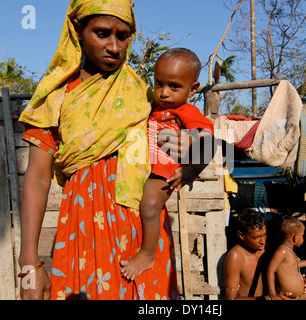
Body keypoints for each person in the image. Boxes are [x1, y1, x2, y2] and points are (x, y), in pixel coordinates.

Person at [18, 0, 194, 300]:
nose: (114, 46)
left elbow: (193, 142)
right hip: (84, 228)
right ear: (78, 30)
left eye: (122, 35)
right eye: (102, 33)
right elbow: (37, 177)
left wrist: (190, 148)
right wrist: (28, 263)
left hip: (144, 231)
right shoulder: (55, 96)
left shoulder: (145, 92)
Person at [120, 48, 214, 281]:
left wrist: (192, 168)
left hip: (164, 171)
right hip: (144, 166)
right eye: (158, 83)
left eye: (174, 86)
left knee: (150, 205)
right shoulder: (155, 106)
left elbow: (209, 141)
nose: (163, 92)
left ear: (193, 89)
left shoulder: (187, 111)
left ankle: (146, 254)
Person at [267, 215, 306, 300]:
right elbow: (270, 271)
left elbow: (295, 264)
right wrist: (273, 293)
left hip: (300, 294)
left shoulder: (290, 250)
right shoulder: (282, 251)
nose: (303, 239)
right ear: (296, 237)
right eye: (302, 236)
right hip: (287, 296)